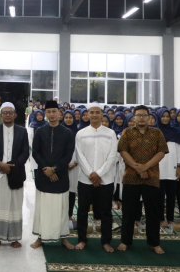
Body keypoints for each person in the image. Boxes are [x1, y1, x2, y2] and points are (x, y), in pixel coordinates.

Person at [117, 105, 168, 254]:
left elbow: (161, 152)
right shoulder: (127, 132)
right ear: (133, 117)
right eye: (138, 115)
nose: (141, 118)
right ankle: (125, 241)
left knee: (153, 212)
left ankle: (154, 243)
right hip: (131, 177)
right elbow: (123, 151)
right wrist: (137, 168)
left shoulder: (157, 133)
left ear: (149, 118)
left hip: (151, 177)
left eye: (144, 115)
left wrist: (146, 167)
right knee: (128, 211)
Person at [31, 100, 75, 250]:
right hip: (43, 176)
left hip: (61, 176)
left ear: (59, 113)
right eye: (48, 112)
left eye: (54, 111)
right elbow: (35, 152)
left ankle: (63, 237)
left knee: (61, 209)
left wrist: (55, 169)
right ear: (45, 114)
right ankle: (40, 237)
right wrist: (47, 170)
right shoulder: (40, 131)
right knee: (43, 209)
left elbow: (68, 155)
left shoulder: (67, 133)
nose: (51, 114)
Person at [74, 102, 118, 252]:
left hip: (106, 179)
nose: (94, 115)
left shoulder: (110, 133)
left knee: (105, 211)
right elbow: (79, 156)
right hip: (85, 179)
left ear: (102, 114)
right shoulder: (81, 133)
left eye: (97, 112)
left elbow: (113, 156)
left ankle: (106, 241)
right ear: (87, 114)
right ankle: (82, 239)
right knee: (82, 211)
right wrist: (91, 174)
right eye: (91, 112)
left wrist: (99, 174)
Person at [0, 102, 29, 248]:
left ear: (15, 115)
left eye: (10, 112)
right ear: (1, 115)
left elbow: (25, 152)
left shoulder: (22, 131)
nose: (8, 115)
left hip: (16, 173)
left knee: (15, 206)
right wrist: (0, 164)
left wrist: (12, 166)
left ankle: (15, 238)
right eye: (5, 112)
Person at [154, 108, 180, 230]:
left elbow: (179, 150)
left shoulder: (175, 131)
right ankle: (161, 218)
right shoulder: (154, 132)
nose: (165, 118)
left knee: (171, 196)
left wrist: (179, 166)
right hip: (158, 168)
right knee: (159, 196)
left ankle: (170, 218)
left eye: (167, 116)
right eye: (163, 116)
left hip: (172, 167)